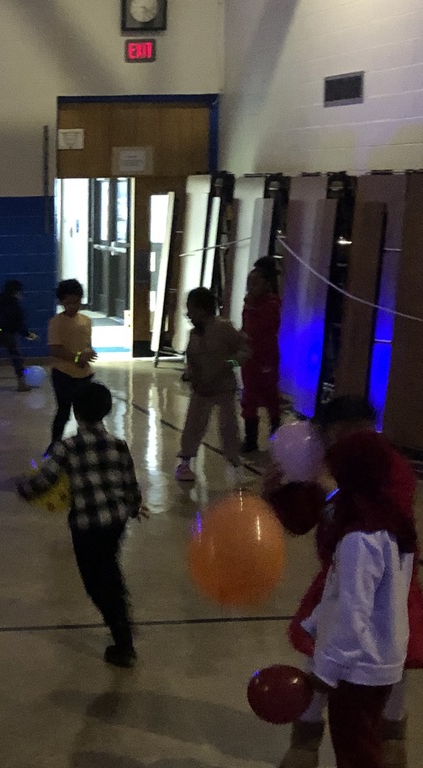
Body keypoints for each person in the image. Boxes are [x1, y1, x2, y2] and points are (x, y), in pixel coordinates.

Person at [267, 397, 423, 768]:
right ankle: (309, 743)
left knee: (374, 709)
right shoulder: (341, 470)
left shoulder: (380, 479)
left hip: (379, 600)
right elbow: (303, 519)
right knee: (354, 702)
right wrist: (277, 492)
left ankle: (386, 747)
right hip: (346, 591)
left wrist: (326, 672)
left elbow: (375, 517)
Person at [18, 382, 146, 668]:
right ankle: (121, 616)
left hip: (86, 524)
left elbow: (43, 481)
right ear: (106, 411)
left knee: (94, 582)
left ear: (76, 413)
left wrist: (23, 488)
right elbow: (130, 483)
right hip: (115, 521)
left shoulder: (67, 449)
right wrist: (135, 507)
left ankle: (122, 638)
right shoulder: (118, 445)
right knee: (109, 566)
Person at [174, 287, 250, 482]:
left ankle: (234, 462)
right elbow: (191, 360)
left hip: (223, 387)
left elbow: (244, 350)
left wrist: (229, 365)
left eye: (192, 309)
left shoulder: (224, 328)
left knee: (228, 425)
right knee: (193, 425)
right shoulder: (194, 335)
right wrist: (190, 374)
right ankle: (185, 462)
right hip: (201, 388)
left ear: (203, 309)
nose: (189, 314)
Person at [47, 279, 97, 449]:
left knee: (84, 413)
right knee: (63, 411)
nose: (73, 306)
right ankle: (55, 445)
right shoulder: (56, 322)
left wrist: (89, 353)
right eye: (68, 303)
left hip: (84, 374)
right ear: (61, 302)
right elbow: (55, 349)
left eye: (76, 302)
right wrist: (77, 358)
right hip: (63, 374)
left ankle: (84, 445)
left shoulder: (86, 321)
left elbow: (86, 345)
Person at [240, 261, 282, 452]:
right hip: (250, 358)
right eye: (249, 283)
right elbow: (246, 328)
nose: (251, 287)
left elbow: (261, 328)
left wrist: (251, 309)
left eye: (255, 283)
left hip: (266, 359)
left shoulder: (272, 305)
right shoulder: (249, 305)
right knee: (249, 397)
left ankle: (277, 435)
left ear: (266, 284)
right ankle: (250, 440)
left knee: (270, 396)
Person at [0, 279, 37, 393]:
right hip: (8, 333)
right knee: (16, 357)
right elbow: (18, 324)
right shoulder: (15, 306)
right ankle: (21, 383)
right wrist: (27, 334)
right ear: (16, 292)